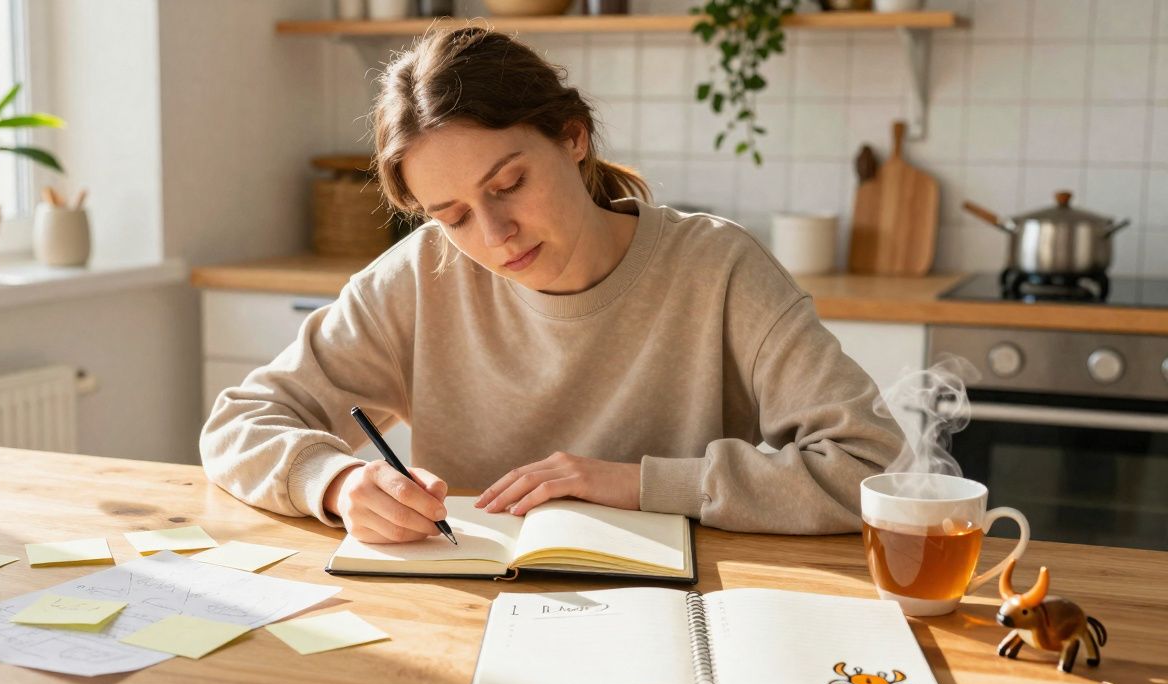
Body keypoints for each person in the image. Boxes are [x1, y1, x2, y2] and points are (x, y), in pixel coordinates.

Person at [200, 27, 905, 545]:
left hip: (689, 614)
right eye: (452, 216)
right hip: (465, 612)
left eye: (508, 184)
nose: (495, 233)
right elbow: (238, 424)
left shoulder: (718, 268)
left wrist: (634, 484)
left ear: (573, 139)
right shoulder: (418, 276)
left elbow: (864, 466)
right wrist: (338, 483)